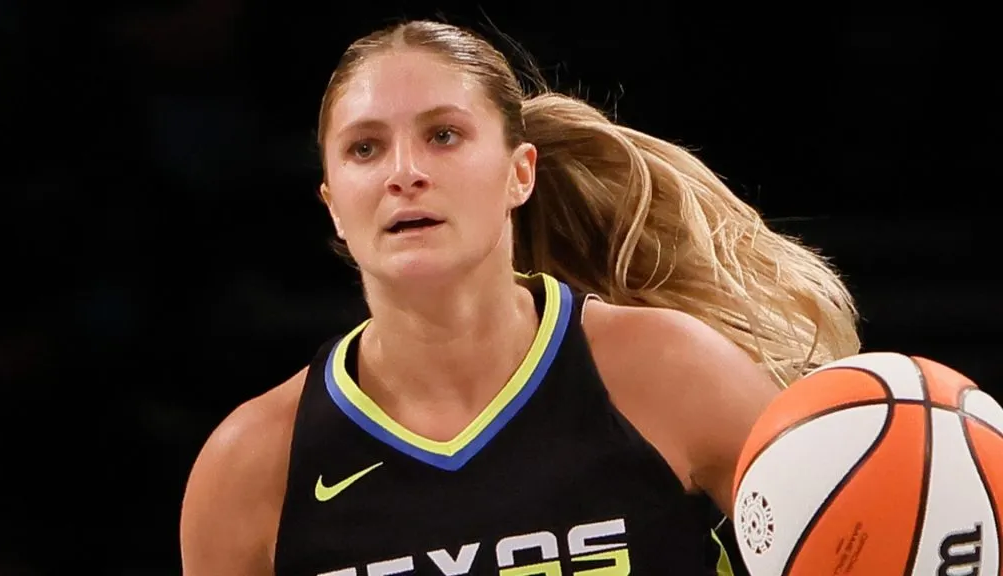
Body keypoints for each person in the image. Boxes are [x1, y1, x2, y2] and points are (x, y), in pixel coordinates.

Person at [179, 19, 861, 576]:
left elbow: (853, 550)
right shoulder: (251, 465)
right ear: (332, 205)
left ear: (519, 173)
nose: (405, 173)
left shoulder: (665, 369)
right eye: (365, 148)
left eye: (443, 136)